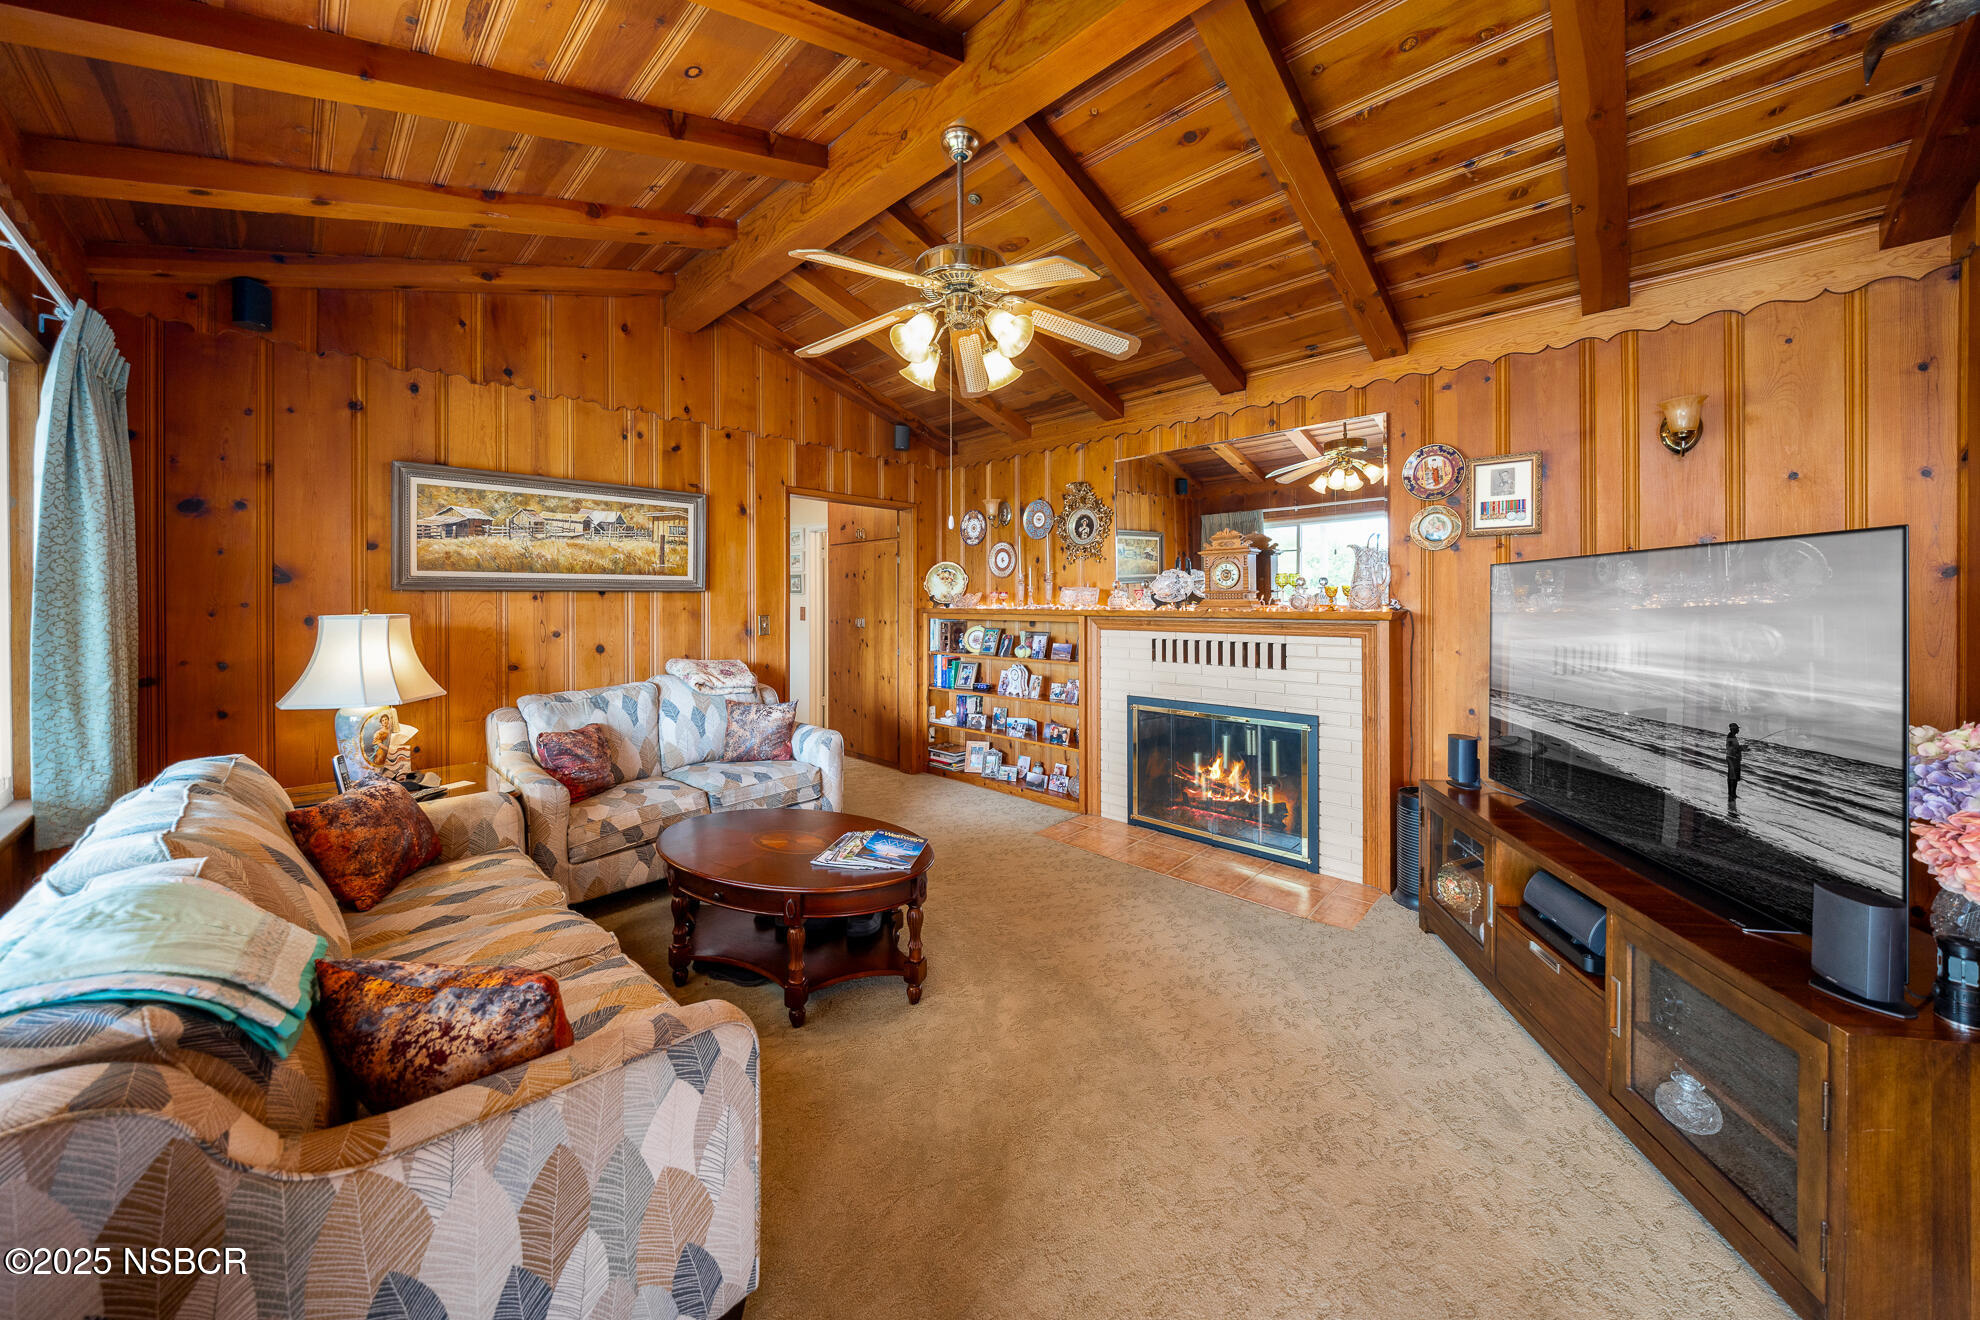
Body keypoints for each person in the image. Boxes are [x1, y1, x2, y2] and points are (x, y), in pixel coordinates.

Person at [1724, 723, 1743, 813]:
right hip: (1732, 758)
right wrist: (1740, 748)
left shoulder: (1732, 736)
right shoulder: (1730, 736)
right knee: (1733, 777)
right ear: (1734, 729)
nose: (1738, 730)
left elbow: (1733, 747)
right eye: (1737, 729)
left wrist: (1741, 748)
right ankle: (1731, 794)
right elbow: (1730, 747)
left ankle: (1732, 793)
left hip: (1733, 758)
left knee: (1733, 777)